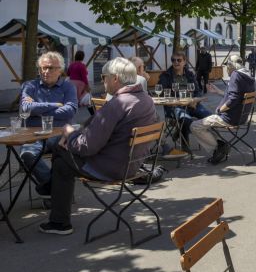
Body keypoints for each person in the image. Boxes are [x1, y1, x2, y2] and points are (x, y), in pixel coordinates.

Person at [38, 57, 157, 235]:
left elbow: (87, 147)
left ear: (115, 78)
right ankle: (52, 197)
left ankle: (58, 218)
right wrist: (78, 133)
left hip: (111, 168)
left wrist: (70, 134)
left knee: (60, 156)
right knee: (61, 156)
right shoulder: (146, 99)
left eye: (104, 77)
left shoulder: (118, 104)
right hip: (133, 165)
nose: (103, 81)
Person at [20, 52, 78, 197]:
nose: (46, 71)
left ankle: (52, 190)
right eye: (42, 68)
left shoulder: (68, 86)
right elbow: (25, 108)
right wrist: (54, 105)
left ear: (60, 70)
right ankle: (54, 187)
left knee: (64, 155)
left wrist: (37, 108)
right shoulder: (29, 86)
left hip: (59, 133)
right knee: (27, 154)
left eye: (51, 68)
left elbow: (70, 111)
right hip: (34, 133)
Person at [191, 55, 256, 164]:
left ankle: (220, 147)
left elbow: (233, 99)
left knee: (195, 126)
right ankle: (220, 145)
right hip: (241, 117)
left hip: (229, 117)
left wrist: (220, 110)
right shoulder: (247, 76)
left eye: (227, 66)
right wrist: (218, 92)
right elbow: (237, 96)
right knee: (207, 123)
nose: (227, 69)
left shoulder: (236, 75)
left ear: (231, 66)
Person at [158, 50, 212, 147]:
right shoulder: (165, 76)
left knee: (210, 117)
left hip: (192, 105)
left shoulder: (190, 74)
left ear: (184, 62)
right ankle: (185, 146)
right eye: (173, 60)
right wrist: (177, 102)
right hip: (175, 107)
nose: (176, 62)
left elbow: (198, 91)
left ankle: (218, 143)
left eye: (179, 60)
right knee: (185, 120)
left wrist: (195, 101)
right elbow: (162, 94)